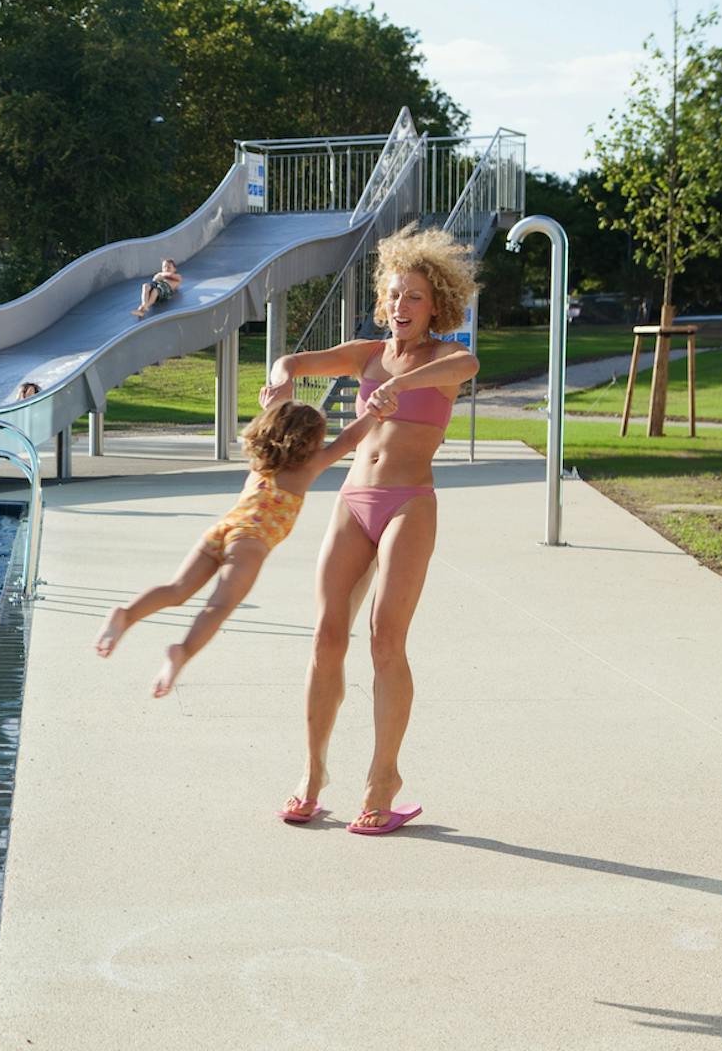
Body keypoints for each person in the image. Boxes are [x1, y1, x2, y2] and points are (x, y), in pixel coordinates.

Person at [258, 225, 479, 835]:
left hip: (410, 502)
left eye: (412, 296)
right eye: (391, 295)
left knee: (386, 640)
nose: (400, 307)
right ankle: (311, 776)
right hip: (354, 500)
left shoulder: (444, 358)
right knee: (327, 637)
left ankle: (384, 780)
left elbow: (469, 362)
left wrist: (397, 387)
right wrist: (281, 376)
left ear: (435, 303)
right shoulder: (365, 354)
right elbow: (294, 360)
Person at [95, 401, 379, 698]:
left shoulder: (259, 464)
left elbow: (283, 417)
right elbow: (348, 439)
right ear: (309, 441)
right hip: (250, 543)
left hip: (220, 531)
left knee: (177, 589)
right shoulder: (308, 465)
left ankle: (125, 615)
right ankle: (182, 651)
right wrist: (374, 412)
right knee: (219, 607)